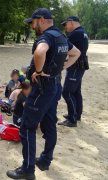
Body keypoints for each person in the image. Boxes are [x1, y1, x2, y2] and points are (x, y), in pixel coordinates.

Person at [6, 8, 80, 179]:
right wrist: (61, 68)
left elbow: (40, 52)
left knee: (26, 128)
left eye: (33, 22)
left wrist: (38, 70)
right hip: (54, 86)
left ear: (41, 20)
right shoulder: (61, 36)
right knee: (49, 123)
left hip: (42, 88)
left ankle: (27, 170)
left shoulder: (46, 37)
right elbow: (76, 53)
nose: (32, 27)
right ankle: (45, 160)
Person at [58, 16, 89, 127]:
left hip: (76, 66)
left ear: (71, 23)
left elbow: (63, 47)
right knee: (76, 92)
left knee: (67, 92)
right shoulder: (83, 32)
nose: (65, 27)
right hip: (80, 65)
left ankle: (72, 119)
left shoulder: (76, 33)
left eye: (65, 24)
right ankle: (77, 114)